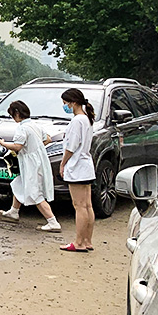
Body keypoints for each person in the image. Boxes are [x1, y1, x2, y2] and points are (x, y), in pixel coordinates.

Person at [0, 100, 61, 232]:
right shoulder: (34, 125)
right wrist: (36, 146)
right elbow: (48, 138)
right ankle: (14, 211)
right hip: (39, 160)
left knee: (34, 192)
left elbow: (18, 146)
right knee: (19, 183)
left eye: (12, 115)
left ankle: (52, 222)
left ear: (17, 113)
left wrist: (4, 144)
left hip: (30, 163)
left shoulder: (22, 128)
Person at [60, 88, 96, 252]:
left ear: (73, 103)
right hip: (86, 166)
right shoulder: (86, 119)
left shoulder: (77, 121)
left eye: (65, 103)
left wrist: (63, 163)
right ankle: (87, 240)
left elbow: (71, 146)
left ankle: (79, 242)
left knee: (79, 206)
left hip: (77, 167)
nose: (64, 106)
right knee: (87, 205)